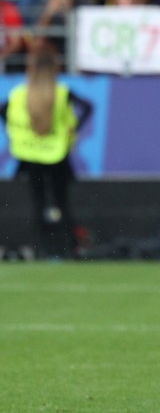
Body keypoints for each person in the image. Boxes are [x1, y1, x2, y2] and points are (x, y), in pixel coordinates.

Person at [1, 48, 93, 259]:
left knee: (38, 204)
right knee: (62, 203)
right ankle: (69, 249)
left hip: (29, 155)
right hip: (57, 154)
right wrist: (74, 129)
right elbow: (87, 108)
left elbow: (4, 111)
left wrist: (15, 131)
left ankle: (40, 249)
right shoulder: (61, 92)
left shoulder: (19, 94)